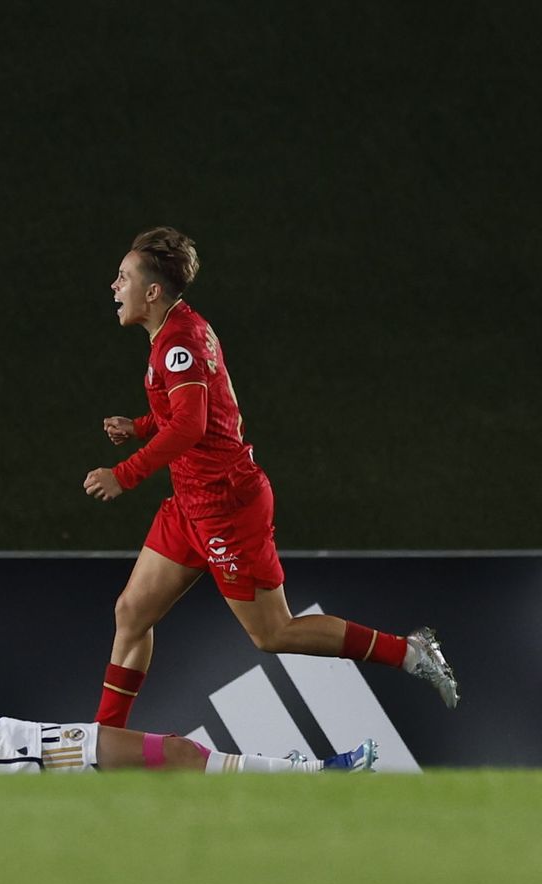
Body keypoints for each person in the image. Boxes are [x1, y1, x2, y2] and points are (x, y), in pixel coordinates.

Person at [83, 228, 458, 730]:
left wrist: (124, 475)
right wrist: (141, 426)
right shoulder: (176, 331)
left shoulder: (180, 340)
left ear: (152, 292)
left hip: (226, 506)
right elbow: (198, 411)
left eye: (123, 277)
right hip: (190, 503)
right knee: (131, 613)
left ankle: (409, 652)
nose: (114, 285)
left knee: (274, 633)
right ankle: (104, 743)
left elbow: (192, 425)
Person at [0, 692, 377, 774]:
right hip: (40, 758)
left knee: (179, 760)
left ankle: (294, 774)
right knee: (180, 754)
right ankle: (315, 775)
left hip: (29, 745)